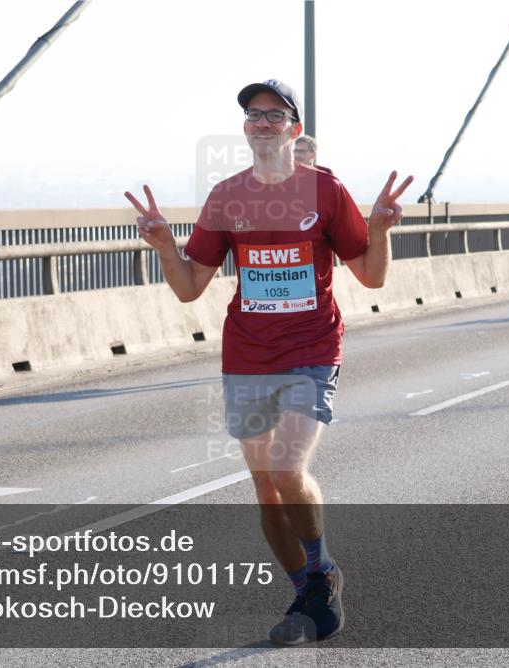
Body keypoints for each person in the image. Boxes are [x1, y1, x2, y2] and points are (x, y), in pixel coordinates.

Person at [125, 79, 412, 645]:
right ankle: (309, 584)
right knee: (266, 492)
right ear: (245, 129)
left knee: (288, 470)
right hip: (248, 356)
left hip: (312, 350)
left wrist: (378, 231)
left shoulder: (324, 190)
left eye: (275, 115)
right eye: (253, 115)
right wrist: (163, 247)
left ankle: (320, 566)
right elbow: (189, 287)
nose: (262, 123)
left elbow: (371, 275)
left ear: (294, 129)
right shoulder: (227, 196)